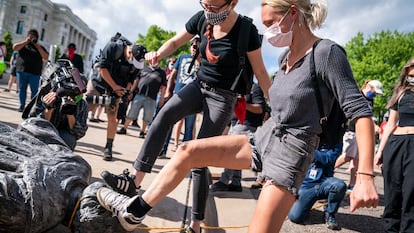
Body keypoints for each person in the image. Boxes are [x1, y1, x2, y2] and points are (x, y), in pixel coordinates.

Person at [97, 1, 379, 232]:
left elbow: (360, 111)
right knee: (187, 151)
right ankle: (132, 212)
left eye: (270, 23)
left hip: (291, 153)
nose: (267, 32)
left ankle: (185, 218)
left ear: (293, 13)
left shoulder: (327, 52)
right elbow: (275, 100)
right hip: (263, 139)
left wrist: (365, 175)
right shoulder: (285, 58)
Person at [101, 0, 271, 231]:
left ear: (232, 3)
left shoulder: (246, 30)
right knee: (163, 116)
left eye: (214, 7)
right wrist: (158, 54)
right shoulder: (201, 18)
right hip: (199, 85)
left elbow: (260, 71)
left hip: (224, 96)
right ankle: (134, 181)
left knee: (198, 157)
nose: (208, 11)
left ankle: (196, 223)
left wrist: (277, 105)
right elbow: (174, 42)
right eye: (205, 5)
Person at [88, 35, 146, 161]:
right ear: (130, 52)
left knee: (112, 118)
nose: (135, 64)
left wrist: (125, 90)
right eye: (134, 60)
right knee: (83, 108)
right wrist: (115, 86)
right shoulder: (113, 48)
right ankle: (71, 132)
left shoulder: (136, 62)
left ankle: (108, 147)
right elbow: (102, 69)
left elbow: (131, 79)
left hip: (116, 89)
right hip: (98, 84)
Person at [374, 58, 414, 233]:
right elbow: (390, 124)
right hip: (395, 144)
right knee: (392, 196)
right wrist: (380, 151)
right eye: (410, 74)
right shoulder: (401, 92)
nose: (412, 78)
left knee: (410, 196)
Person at [210, 83, 266, 192]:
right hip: (234, 123)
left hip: (246, 124)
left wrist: (243, 105)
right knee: (236, 155)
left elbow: (259, 108)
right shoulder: (237, 87)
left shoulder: (254, 87)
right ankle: (236, 183)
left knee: (232, 153)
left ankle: (224, 180)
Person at [334, 79, 383, 193]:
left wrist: (373, 125)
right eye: (374, 92)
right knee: (347, 156)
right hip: (351, 131)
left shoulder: (370, 101)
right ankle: (327, 171)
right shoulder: (358, 96)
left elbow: (369, 116)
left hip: (360, 133)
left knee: (356, 160)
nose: (375, 95)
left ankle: (352, 184)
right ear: (370, 87)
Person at [159, 36, 201, 157]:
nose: (195, 48)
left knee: (189, 126)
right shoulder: (182, 57)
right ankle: (163, 149)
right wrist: (168, 90)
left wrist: (199, 58)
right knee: (169, 121)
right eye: (193, 46)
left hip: (194, 97)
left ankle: (184, 155)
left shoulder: (203, 60)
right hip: (178, 93)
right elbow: (172, 74)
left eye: (197, 46)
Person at [288, 143, 347, 230]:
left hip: (324, 183)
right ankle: (304, 205)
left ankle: (330, 213)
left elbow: (327, 159)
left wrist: (308, 149)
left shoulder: (336, 143)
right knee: (295, 217)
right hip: (306, 185)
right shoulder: (308, 138)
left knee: (339, 185)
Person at [116, 63, 167, 138]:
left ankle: (142, 132)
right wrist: (131, 91)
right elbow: (136, 81)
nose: (154, 62)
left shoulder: (161, 73)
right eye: (152, 60)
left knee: (148, 116)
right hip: (139, 94)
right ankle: (124, 128)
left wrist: (162, 98)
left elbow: (163, 86)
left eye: (156, 60)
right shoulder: (143, 69)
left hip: (152, 97)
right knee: (132, 112)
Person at [13, 29, 49, 112]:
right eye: (30, 36)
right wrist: (26, 41)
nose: (32, 39)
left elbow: (46, 57)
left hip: (35, 73)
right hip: (22, 71)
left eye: (34, 37)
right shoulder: (23, 45)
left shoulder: (40, 47)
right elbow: (15, 47)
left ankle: (32, 107)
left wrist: (37, 45)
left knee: (35, 91)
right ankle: (22, 106)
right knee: (22, 89)